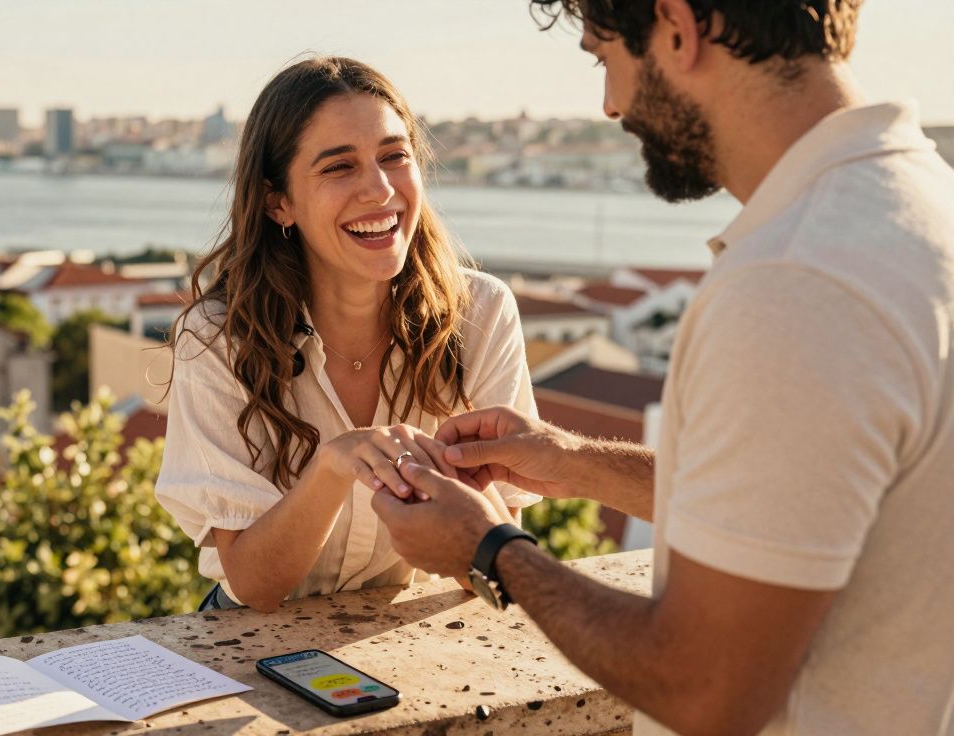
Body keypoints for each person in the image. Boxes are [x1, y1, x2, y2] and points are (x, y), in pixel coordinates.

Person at [372, 1, 954, 734]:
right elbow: (820, 498)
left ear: (678, 27)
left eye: (604, 57)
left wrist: (489, 548)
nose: (610, 104)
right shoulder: (920, 210)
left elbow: (705, 688)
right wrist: (572, 461)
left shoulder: (794, 278)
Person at [154, 57, 541, 614]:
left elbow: (490, 570)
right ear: (278, 202)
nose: (380, 189)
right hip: (253, 643)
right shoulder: (216, 338)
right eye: (339, 167)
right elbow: (256, 587)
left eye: (394, 156)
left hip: (398, 631)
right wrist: (333, 467)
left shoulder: (482, 312)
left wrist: (465, 495)